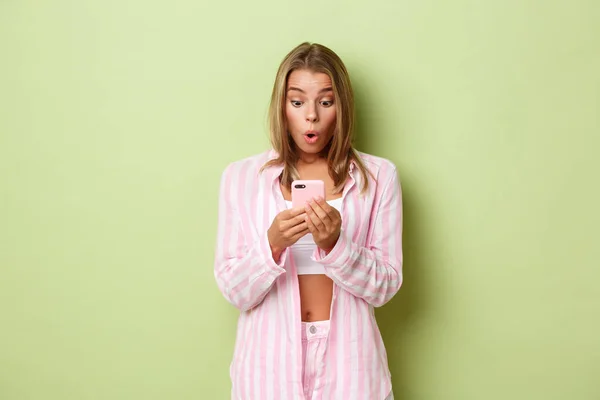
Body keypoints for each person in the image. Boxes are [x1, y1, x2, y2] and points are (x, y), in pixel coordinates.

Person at [214, 42, 403, 400]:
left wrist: (336, 245)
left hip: (351, 363)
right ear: (282, 108)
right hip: (267, 365)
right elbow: (234, 291)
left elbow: (386, 287)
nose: (311, 116)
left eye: (326, 102)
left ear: (341, 107)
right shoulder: (240, 178)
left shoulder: (379, 177)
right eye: (297, 102)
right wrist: (272, 244)